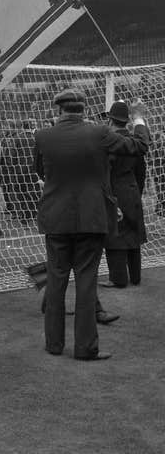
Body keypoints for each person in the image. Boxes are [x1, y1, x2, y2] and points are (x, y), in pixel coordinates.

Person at [34, 89, 150, 361]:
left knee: (57, 279)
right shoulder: (99, 133)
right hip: (91, 218)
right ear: (84, 110)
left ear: (58, 110)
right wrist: (139, 118)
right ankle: (86, 348)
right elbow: (140, 147)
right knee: (86, 282)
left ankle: (54, 344)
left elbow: (41, 172)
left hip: (56, 218)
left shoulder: (42, 136)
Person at [99, 101, 148, 288]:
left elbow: (105, 173)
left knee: (115, 235)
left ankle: (118, 278)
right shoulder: (135, 141)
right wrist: (137, 191)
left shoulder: (109, 141)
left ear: (110, 120)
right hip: (132, 189)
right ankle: (135, 276)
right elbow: (141, 172)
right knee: (133, 232)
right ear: (127, 121)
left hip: (113, 191)